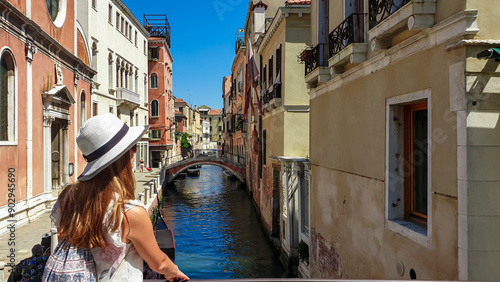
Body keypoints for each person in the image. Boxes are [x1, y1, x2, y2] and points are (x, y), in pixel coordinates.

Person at [42, 113, 189, 282]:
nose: (135, 151)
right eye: (132, 147)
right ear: (121, 157)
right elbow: (160, 264)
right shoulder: (130, 213)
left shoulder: (66, 197)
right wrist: (175, 271)